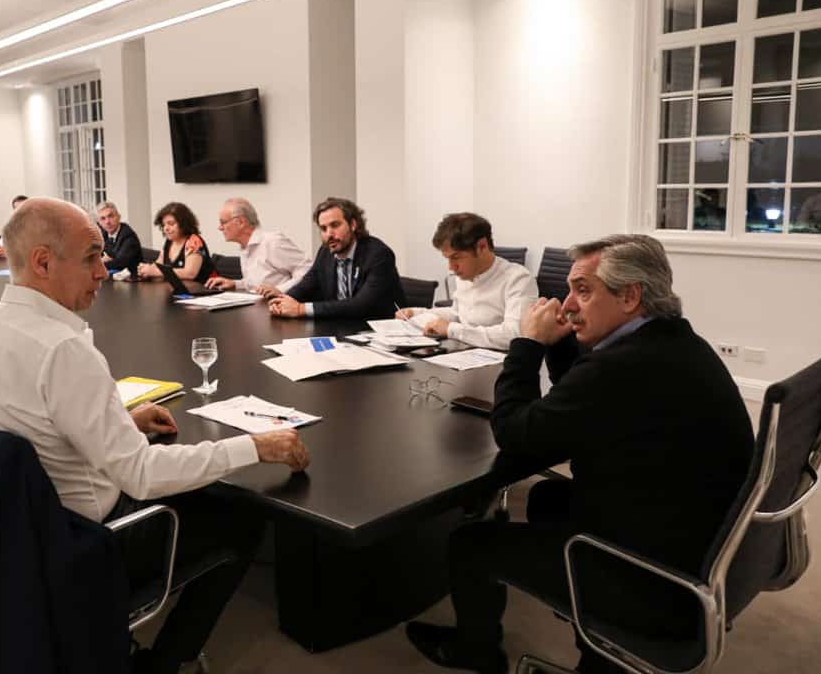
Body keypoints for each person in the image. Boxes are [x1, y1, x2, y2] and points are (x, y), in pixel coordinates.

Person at [0, 197, 310, 674]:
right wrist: (254, 445)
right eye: (91, 257)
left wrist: (121, 421)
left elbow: (28, 424)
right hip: (82, 541)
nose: (103, 271)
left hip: (2, 533)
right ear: (43, 262)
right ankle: (165, 662)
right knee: (242, 516)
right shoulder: (64, 350)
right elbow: (140, 475)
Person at [405, 235, 755, 674]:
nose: (568, 304)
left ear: (629, 297)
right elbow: (580, 400)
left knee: (469, 543)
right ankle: (597, 642)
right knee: (546, 499)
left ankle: (479, 652)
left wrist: (527, 344)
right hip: (699, 544)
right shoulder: (671, 342)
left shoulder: (620, 368)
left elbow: (517, 434)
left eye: (583, 291)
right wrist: (560, 344)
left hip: (659, 581)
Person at [395, 213, 536, 349]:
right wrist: (417, 313)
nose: (451, 267)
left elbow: (514, 335)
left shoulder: (518, 279)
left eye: (456, 257)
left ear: (482, 247)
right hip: (465, 354)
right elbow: (458, 314)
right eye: (448, 259)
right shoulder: (465, 276)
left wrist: (451, 330)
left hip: (501, 360)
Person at [265, 197, 404, 319]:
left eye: (335, 225)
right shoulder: (325, 252)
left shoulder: (378, 254)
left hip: (376, 330)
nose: (329, 234)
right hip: (340, 326)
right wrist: (283, 301)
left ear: (353, 225)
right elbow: (307, 284)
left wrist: (300, 309)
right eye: (323, 228)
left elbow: (361, 305)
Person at [204, 197, 311, 294]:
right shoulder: (245, 246)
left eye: (223, 222)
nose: (220, 228)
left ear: (241, 222)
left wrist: (280, 290)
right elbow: (256, 283)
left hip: (279, 304)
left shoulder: (272, 241)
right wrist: (235, 284)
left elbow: (308, 269)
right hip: (258, 304)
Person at [136, 202, 216, 284]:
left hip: (203, 289)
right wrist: (146, 270)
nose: (166, 228)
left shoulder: (193, 241)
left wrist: (156, 272)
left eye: (171, 224)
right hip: (178, 289)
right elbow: (159, 264)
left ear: (183, 224)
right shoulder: (170, 241)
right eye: (163, 225)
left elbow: (190, 273)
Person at [96, 200, 142, 275]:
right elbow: (94, 254)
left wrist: (98, 263)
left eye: (110, 216)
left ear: (118, 217)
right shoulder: (102, 234)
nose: (107, 222)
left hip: (132, 278)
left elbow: (120, 263)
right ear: (99, 223)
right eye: (103, 218)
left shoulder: (128, 235)